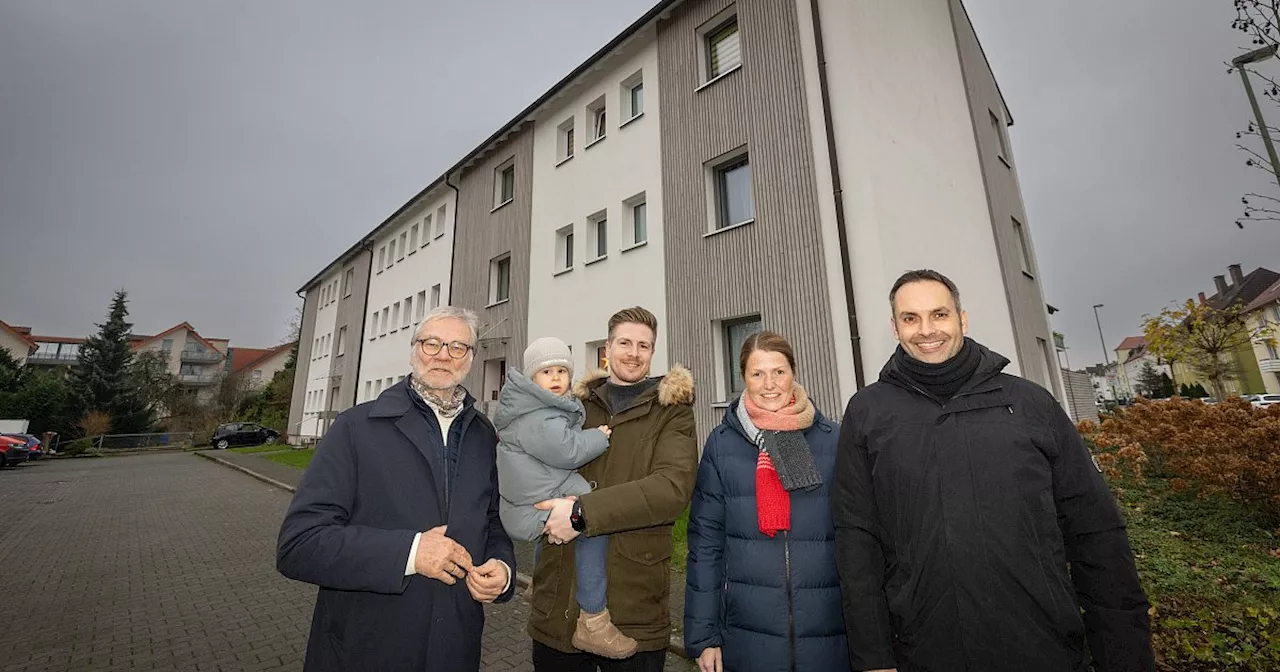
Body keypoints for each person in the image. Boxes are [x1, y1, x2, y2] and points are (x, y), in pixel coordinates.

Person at [833, 269, 1154, 672]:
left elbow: (1096, 533)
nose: (926, 330)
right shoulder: (867, 413)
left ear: (962, 320)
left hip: (1042, 646)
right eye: (910, 318)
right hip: (925, 649)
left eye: (939, 314)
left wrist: (1125, 657)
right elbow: (856, 541)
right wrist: (873, 658)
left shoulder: (1031, 404)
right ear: (895, 327)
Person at [277, 306, 516, 672]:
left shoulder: (482, 434)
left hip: (455, 646)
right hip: (366, 647)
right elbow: (299, 545)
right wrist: (410, 552)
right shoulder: (356, 428)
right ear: (413, 349)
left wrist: (503, 568)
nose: (442, 355)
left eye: (457, 347)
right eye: (432, 343)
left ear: (470, 358)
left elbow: (491, 521)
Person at [528, 306, 698, 672]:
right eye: (625, 343)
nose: (633, 353)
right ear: (608, 347)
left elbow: (672, 488)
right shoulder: (574, 404)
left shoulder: (670, 410)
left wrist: (582, 513)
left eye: (644, 345)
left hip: (632, 604)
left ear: (653, 352)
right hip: (560, 596)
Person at [684, 331, 850, 672]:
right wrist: (704, 636)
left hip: (829, 634)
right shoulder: (722, 444)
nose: (769, 384)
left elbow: (859, 540)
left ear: (794, 373)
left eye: (779, 371)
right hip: (746, 635)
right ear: (743, 378)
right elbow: (706, 545)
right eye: (757, 373)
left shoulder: (832, 440)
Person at [494, 336, 636, 659]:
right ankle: (593, 617)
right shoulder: (539, 416)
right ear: (532, 379)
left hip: (531, 497)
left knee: (565, 521)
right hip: (534, 503)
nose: (556, 378)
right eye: (547, 372)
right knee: (591, 518)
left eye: (562, 370)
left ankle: (537, 584)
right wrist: (598, 438)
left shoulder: (531, 406)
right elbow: (567, 451)